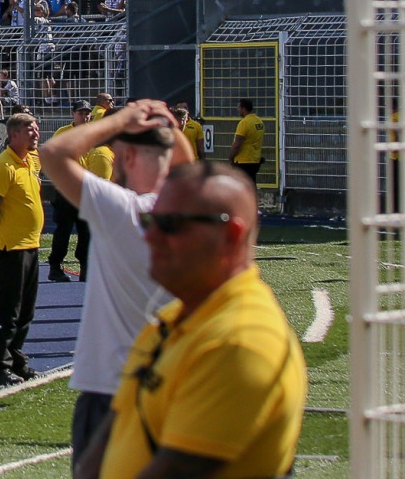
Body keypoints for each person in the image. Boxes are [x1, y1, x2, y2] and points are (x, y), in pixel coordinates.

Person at [82, 163, 307, 478]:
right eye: (149, 221)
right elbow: (116, 427)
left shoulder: (238, 343)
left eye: (171, 224)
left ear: (231, 235)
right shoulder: (172, 319)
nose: (150, 237)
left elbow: (178, 471)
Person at [38, 100, 192, 469]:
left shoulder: (123, 211)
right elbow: (188, 167)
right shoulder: (193, 210)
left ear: (128, 157)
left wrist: (118, 121)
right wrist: (166, 123)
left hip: (111, 387)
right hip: (175, 389)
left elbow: (53, 153)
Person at [0, 111, 43, 384]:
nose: (36, 133)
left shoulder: (31, 161)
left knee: (25, 311)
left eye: (36, 128)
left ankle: (16, 360)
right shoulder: (3, 166)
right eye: (30, 129)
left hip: (30, 246)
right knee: (6, 312)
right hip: (9, 250)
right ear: (14, 134)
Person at [46, 102, 111, 283]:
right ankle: (55, 266)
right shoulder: (62, 133)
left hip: (87, 190)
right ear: (73, 114)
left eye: (87, 113)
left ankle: (86, 268)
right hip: (67, 190)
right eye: (81, 113)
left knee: (86, 232)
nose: (85, 116)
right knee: (63, 230)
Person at [230, 97, 265, 185]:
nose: (237, 110)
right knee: (251, 184)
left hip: (243, 160)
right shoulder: (259, 122)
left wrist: (231, 156)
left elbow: (237, 144)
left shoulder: (244, 123)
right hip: (255, 160)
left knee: (242, 185)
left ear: (243, 108)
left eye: (238, 107)